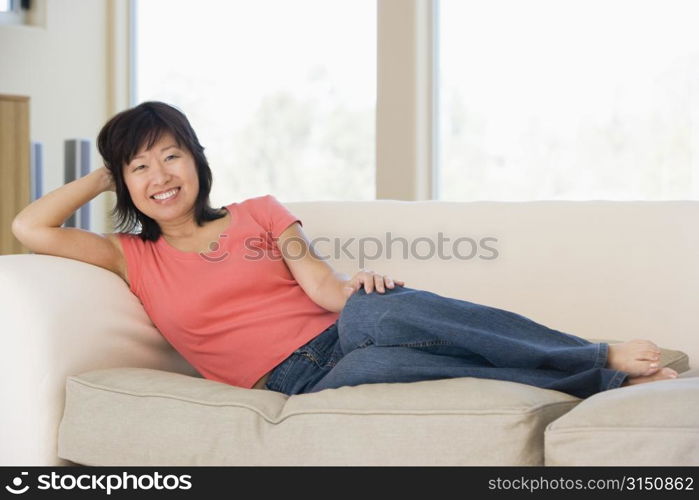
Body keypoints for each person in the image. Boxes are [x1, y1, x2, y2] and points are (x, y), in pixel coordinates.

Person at [12, 101, 679, 400]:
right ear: (124, 183)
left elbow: (324, 290)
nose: (159, 176)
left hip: (339, 329)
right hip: (300, 379)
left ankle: (594, 354)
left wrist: (358, 286)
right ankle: (604, 377)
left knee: (376, 313)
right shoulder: (130, 255)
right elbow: (29, 230)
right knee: (412, 364)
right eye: (140, 168)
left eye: (170, 156)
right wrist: (108, 163)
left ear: (197, 161)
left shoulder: (261, 214)